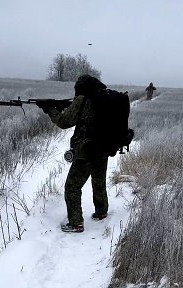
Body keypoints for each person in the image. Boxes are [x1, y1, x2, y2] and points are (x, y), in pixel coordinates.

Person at [36, 74, 109, 233]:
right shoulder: (104, 97)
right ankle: (102, 212)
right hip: (103, 148)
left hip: (87, 150)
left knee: (72, 187)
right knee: (99, 181)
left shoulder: (82, 99)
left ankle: (76, 223)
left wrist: (50, 109)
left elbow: (64, 122)